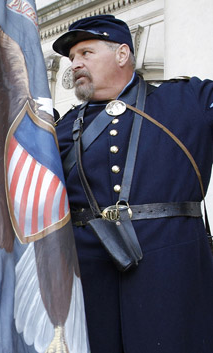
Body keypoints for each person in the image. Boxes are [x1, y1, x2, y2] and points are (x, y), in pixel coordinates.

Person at [53, 15, 213, 352]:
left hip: (171, 282)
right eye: (72, 58)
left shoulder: (187, 102)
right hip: (92, 288)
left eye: (85, 52)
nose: (75, 64)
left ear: (122, 54)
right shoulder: (61, 129)